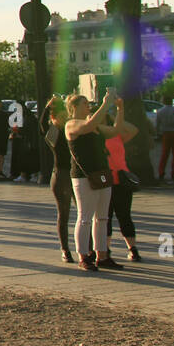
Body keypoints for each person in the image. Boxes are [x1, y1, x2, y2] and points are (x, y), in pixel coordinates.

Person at [65, 90, 132, 272]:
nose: (88, 106)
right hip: (83, 176)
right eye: (84, 103)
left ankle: (102, 255)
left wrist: (120, 108)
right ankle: (83, 256)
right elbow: (88, 125)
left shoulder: (94, 126)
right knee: (85, 217)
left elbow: (116, 131)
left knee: (102, 217)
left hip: (102, 173)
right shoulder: (72, 124)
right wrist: (106, 103)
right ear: (75, 107)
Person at [104, 106, 142, 262]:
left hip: (121, 180)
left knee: (123, 215)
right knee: (106, 217)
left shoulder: (117, 135)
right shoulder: (96, 136)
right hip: (105, 180)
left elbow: (133, 130)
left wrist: (115, 117)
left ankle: (132, 248)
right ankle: (105, 249)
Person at [43, 95, 75, 263]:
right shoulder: (54, 132)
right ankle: (65, 249)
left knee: (84, 214)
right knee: (64, 214)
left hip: (75, 173)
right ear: (54, 118)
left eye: (66, 115)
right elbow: (42, 126)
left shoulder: (71, 129)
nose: (64, 119)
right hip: (61, 174)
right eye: (60, 116)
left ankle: (88, 249)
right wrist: (48, 108)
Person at [154, 97, 174, 182]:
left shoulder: (160, 111)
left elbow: (157, 124)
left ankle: (161, 172)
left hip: (166, 134)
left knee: (164, 154)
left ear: (163, 101)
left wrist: (157, 134)